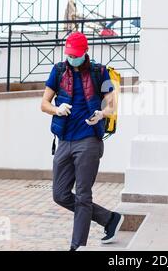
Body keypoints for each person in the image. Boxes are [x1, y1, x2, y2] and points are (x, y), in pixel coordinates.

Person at [41, 31, 124, 250]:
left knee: (83, 195)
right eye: (69, 54)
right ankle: (109, 219)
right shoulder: (58, 71)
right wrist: (57, 110)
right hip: (64, 140)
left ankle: (77, 246)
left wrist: (101, 114)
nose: (72, 58)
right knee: (60, 195)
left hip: (88, 140)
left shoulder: (100, 72)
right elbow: (44, 104)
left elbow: (112, 104)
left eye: (75, 54)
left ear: (85, 52)